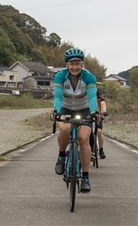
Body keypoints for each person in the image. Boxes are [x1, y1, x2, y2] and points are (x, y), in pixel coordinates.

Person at [52, 47, 98, 193]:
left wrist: (94, 112)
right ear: (67, 65)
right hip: (65, 109)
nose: (75, 67)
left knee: (84, 138)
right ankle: (61, 156)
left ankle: (85, 177)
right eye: (72, 64)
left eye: (78, 63)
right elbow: (58, 96)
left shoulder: (88, 77)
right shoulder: (60, 76)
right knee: (64, 129)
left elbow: (91, 97)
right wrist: (56, 111)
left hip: (84, 110)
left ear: (82, 64)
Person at [96, 88, 108, 159]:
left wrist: (103, 112)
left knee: (99, 131)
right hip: (87, 116)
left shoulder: (98, 96)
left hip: (97, 116)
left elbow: (103, 103)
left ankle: (101, 150)